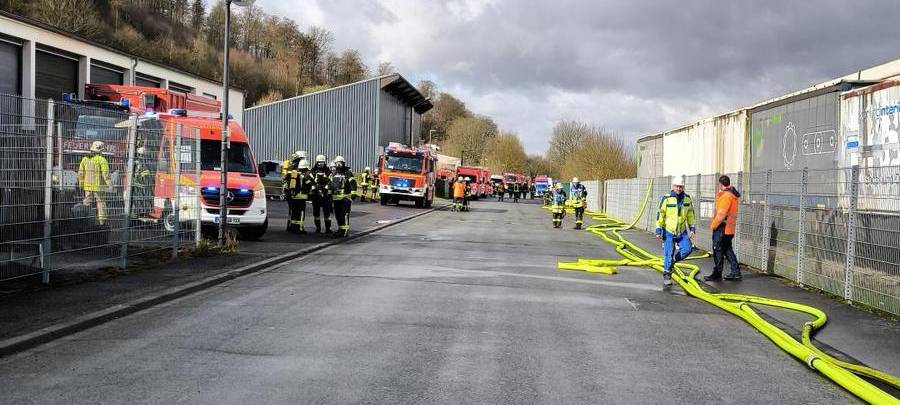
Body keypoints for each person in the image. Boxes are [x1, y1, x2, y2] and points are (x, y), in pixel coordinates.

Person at [655, 175, 696, 287]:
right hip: (668, 231)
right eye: (677, 186)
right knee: (668, 253)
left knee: (687, 249)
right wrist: (658, 229)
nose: (679, 189)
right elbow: (660, 214)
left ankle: (672, 262)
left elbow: (691, 214)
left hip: (681, 232)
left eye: (681, 187)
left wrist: (692, 228)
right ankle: (667, 273)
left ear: (683, 187)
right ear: (673, 186)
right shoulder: (666, 198)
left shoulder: (687, 198)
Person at [705, 175, 742, 281]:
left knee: (718, 249)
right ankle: (735, 272)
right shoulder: (732, 195)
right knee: (727, 249)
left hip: (722, 227)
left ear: (720, 184)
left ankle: (717, 274)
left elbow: (721, 214)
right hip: (729, 228)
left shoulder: (726, 196)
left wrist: (713, 225)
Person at [78, 141, 112, 226]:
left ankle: (84, 221)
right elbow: (106, 174)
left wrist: (81, 184)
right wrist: (110, 185)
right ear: (101, 150)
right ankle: (102, 222)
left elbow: (81, 173)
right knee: (101, 204)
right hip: (99, 187)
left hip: (87, 186)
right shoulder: (102, 160)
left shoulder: (85, 159)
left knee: (86, 203)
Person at [331, 156, 357, 237]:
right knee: (338, 215)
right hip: (336, 198)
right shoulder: (334, 174)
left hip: (345, 198)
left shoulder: (348, 173)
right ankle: (340, 229)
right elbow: (330, 185)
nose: (338, 165)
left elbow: (353, 183)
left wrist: (353, 194)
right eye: (337, 163)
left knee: (345, 215)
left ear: (343, 163)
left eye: (340, 163)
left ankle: (345, 231)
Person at [285, 158, 313, 233]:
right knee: (301, 213)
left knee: (294, 212)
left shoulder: (295, 173)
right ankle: (300, 228)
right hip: (302, 197)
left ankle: (293, 227)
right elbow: (309, 184)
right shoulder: (306, 175)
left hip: (294, 196)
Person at [309, 154, 333, 233]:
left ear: (324, 162)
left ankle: (328, 228)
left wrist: (327, 187)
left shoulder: (328, 171)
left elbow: (331, 181)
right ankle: (318, 228)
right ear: (316, 162)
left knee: (327, 213)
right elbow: (310, 181)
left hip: (326, 196)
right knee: (316, 213)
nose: (320, 164)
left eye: (322, 162)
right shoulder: (313, 171)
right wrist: (313, 188)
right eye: (319, 162)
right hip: (316, 195)